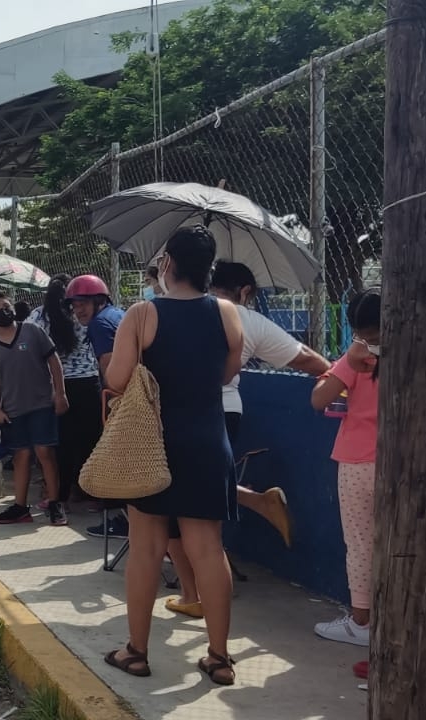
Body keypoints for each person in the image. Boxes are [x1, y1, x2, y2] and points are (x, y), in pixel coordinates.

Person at [101, 225, 244, 686]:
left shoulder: (141, 315)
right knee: (208, 548)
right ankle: (219, 658)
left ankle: (137, 652)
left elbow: (118, 381)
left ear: (166, 265)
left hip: (153, 444)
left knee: (146, 548)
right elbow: (225, 374)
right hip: (208, 441)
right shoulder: (228, 313)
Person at [164, 262, 332, 618]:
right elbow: (308, 360)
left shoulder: (173, 310)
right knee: (201, 506)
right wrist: (342, 376)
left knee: (176, 509)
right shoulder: (246, 318)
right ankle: (255, 503)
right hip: (226, 413)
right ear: (245, 292)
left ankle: (195, 595)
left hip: (177, 416)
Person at [310, 289, 381, 648]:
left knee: (359, 543)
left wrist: (347, 365)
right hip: (400, 463)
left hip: (357, 462)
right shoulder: (417, 351)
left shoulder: (358, 357)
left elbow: (319, 400)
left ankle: (361, 621)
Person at [0, 292, 69, 527]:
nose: (3, 309)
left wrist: (60, 393)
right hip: (12, 410)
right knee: (21, 456)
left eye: (6, 305)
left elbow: (54, 361)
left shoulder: (32, 331)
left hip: (41, 404)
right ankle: (20, 507)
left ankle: (54, 502)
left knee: (45, 453)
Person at [28, 275, 101, 511]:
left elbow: (27, 344)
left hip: (57, 387)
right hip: (89, 382)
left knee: (62, 444)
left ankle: (60, 496)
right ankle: (93, 494)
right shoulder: (83, 312)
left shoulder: (39, 316)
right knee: (91, 440)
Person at [67, 274, 129, 538]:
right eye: (74, 304)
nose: (77, 309)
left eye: (82, 303)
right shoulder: (117, 315)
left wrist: (115, 405)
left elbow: (110, 367)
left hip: (126, 400)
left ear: (99, 300)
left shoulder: (101, 324)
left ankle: (125, 521)